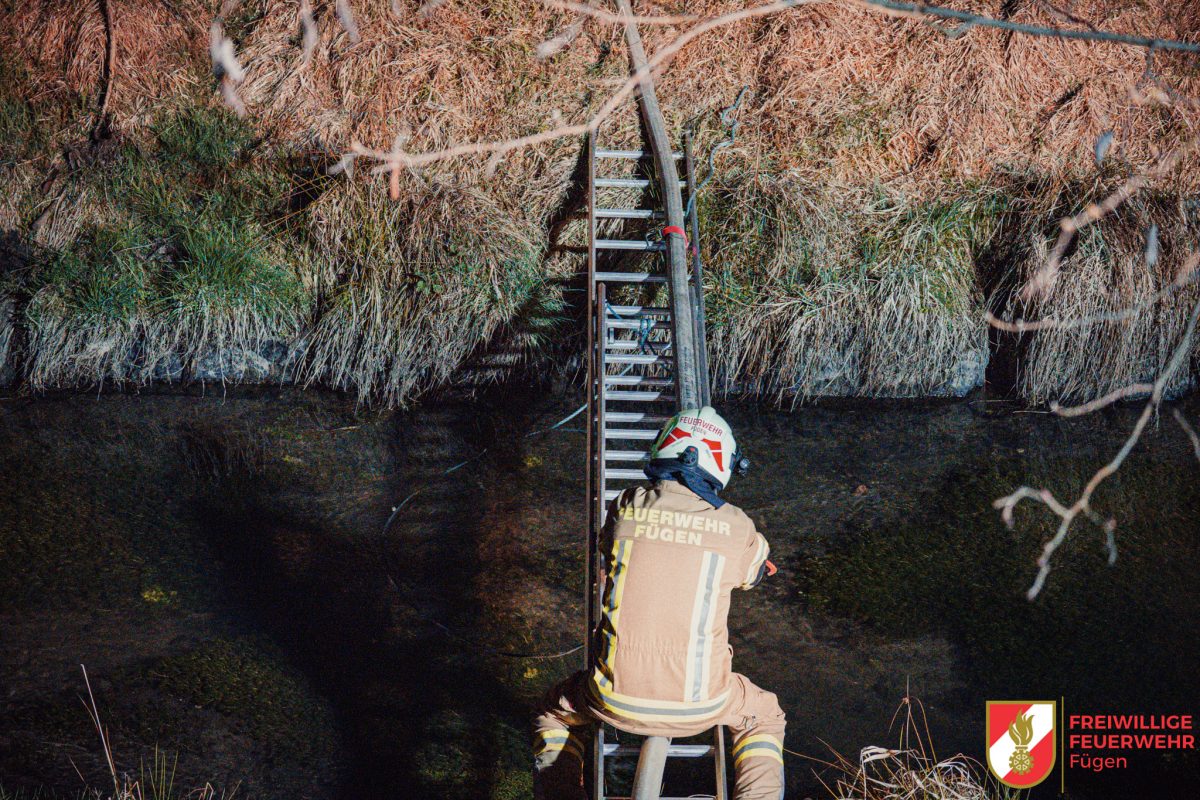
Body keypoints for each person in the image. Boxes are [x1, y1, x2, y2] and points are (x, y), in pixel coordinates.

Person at [533, 406, 785, 800]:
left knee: (553, 711)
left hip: (611, 699)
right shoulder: (738, 526)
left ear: (663, 449)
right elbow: (753, 573)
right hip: (701, 706)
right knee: (765, 714)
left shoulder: (625, 504)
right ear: (723, 464)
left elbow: (607, 548)